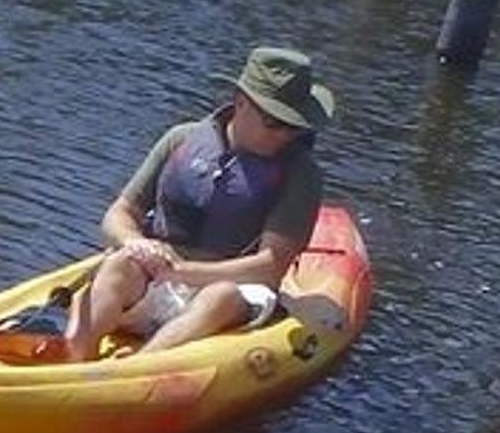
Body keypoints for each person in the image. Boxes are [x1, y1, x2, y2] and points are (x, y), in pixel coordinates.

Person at [61, 46, 335, 362]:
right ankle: (73, 363)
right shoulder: (181, 140)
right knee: (118, 265)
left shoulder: (300, 174)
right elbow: (119, 214)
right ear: (241, 102)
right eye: (275, 123)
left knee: (220, 296)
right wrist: (136, 244)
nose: (284, 135)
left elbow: (270, 268)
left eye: (294, 126)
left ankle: (133, 371)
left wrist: (183, 272)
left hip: (233, 290)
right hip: (157, 275)